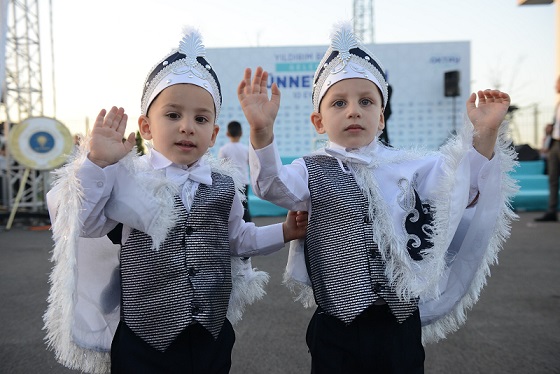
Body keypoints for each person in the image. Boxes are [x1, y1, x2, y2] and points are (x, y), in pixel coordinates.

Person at [238, 22, 517, 373]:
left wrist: (485, 133)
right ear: (318, 121)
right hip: (337, 326)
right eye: (339, 103)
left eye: (366, 101)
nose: (353, 110)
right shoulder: (310, 169)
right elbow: (271, 186)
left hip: (398, 325)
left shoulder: (413, 167)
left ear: (381, 117)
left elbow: (465, 188)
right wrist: (262, 131)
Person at [44, 28, 307, 374]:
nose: (187, 127)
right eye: (172, 115)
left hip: (210, 337)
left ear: (213, 134)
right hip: (144, 341)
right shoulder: (128, 178)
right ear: (146, 126)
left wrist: (284, 231)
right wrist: (96, 163)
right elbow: (87, 225)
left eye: (200, 119)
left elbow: (236, 239)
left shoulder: (224, 184)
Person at [535, 75, 560, 222]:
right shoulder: (558, 104)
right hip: (555, 144)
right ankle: (551, 211)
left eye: (557, 83)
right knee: (553, 178)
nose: (555, 87)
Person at [218, 120, 251, 222]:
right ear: (241, 133)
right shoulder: (246, 149)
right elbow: (250, 163)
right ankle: (248, 225)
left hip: (231, 182)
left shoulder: (224, 149)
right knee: (244, 205)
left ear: (227, 133)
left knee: (231, 206)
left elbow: (221, 167)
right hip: (244, 181)